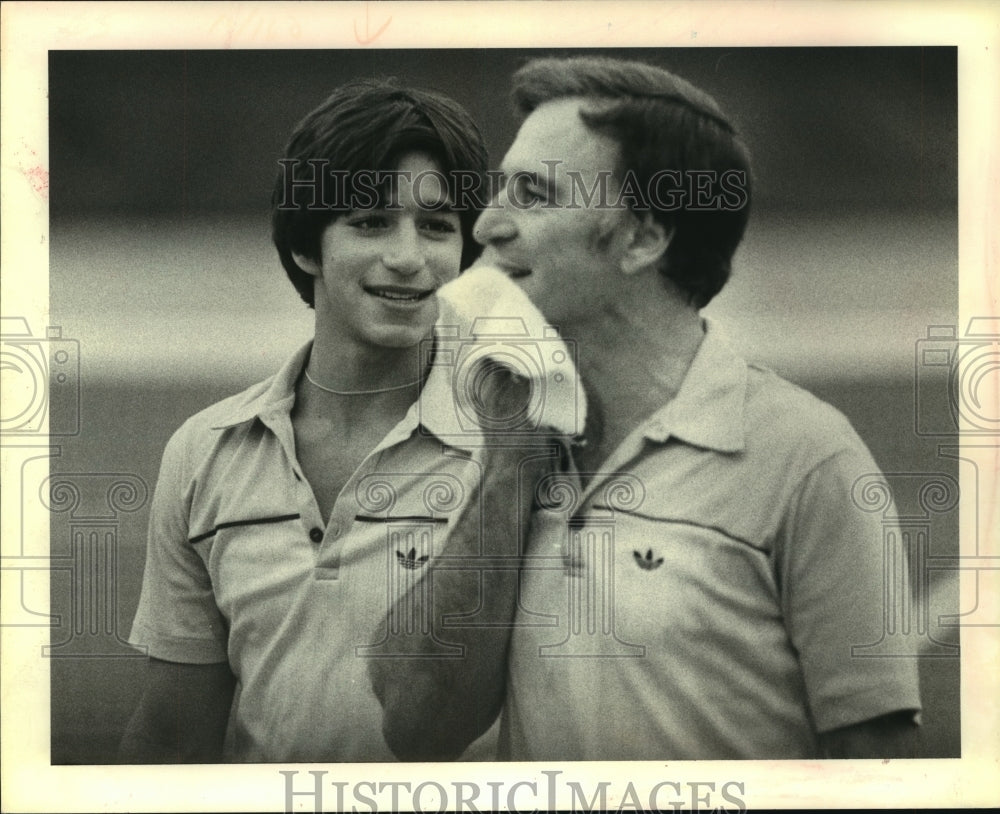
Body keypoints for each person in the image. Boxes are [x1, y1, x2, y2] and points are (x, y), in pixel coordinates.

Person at [465, 56, 922, 760]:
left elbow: (879, 763)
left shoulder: (806, 458)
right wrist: (500, 471)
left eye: (533, 192)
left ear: (644, 237)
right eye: (500, 189)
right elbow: (414, 729)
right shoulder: (493, 437)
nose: (487, 224)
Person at [118, 78, 500, 762]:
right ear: (305, 245)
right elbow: (173, 735)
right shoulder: (205, 454)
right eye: (370, 221)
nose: (410, 256)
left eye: (438, 227)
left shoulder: (515, 448)